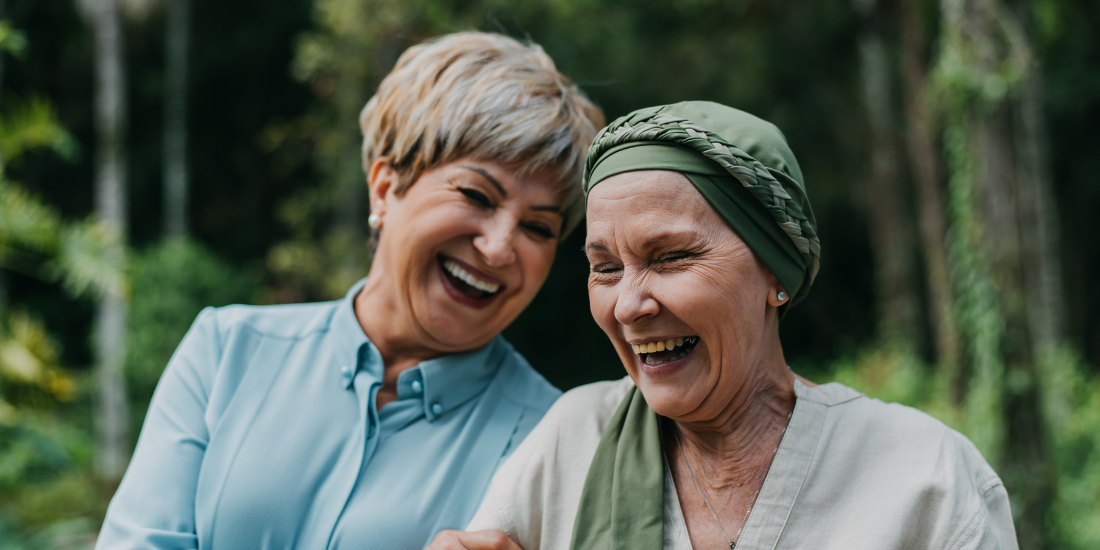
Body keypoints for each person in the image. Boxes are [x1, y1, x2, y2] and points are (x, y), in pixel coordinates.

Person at [428, 101, 1018, 550]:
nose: (630, 305)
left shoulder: (923, 477)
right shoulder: (574, 441)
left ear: (774, 271)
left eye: (671, 257)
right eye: (605, 267)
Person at [94, 32, 604, 550]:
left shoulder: (555, 440)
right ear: (385, 188)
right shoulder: (226, 350)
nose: (499, 248)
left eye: (538, 228)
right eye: (476, 194)